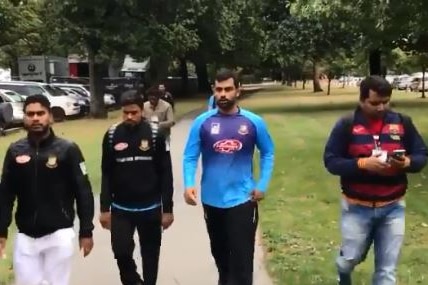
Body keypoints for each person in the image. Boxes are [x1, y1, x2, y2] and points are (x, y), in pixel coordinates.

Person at [323, 75, 428, 285]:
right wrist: (362, 164)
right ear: (362, 100)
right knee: (349, 259)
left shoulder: (402, 122)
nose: (381, 108)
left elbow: (421, 154)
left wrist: (407, 162)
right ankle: (344, 272)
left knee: (387, 271)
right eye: (374, 103)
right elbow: (331, 161)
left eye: (385, 102)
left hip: (393, 207)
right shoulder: (347, 124)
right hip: (356, 207)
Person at [182, 68, 275, 285]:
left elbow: (268, 152)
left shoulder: (253, 122)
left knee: (242, 263)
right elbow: (190, 156)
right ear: (214, 90)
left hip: (242, 200)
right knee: (222, 260)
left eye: (228, 89)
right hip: (212, 201)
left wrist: (262, 184)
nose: (223, 94)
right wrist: (188, 184)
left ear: (238, 91)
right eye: (219, 89)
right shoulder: (202, 122)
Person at [0, 94, 95, 285]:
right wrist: (1, 231)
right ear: (24, 117)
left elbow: (83, 192)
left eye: (40, 113)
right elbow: (5, 195)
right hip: (26, 236)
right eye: (30, 114)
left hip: (59, 234)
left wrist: (86, 231)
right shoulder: (15, 150)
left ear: (50, 116)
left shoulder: (68, 149)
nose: (35, 118)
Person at [99, 90, 174, 285]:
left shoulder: (156, 135)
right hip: (121, 209)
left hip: (150, 208)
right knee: (121, 252)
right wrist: (104, 209)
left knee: (150, 255)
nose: (129, 117)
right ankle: (133, 280)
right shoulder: (112, 135)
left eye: (134, 112)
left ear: (142, 111)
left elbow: (166, 173)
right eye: (126, 113)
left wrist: (167, 209)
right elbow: (106, 173)